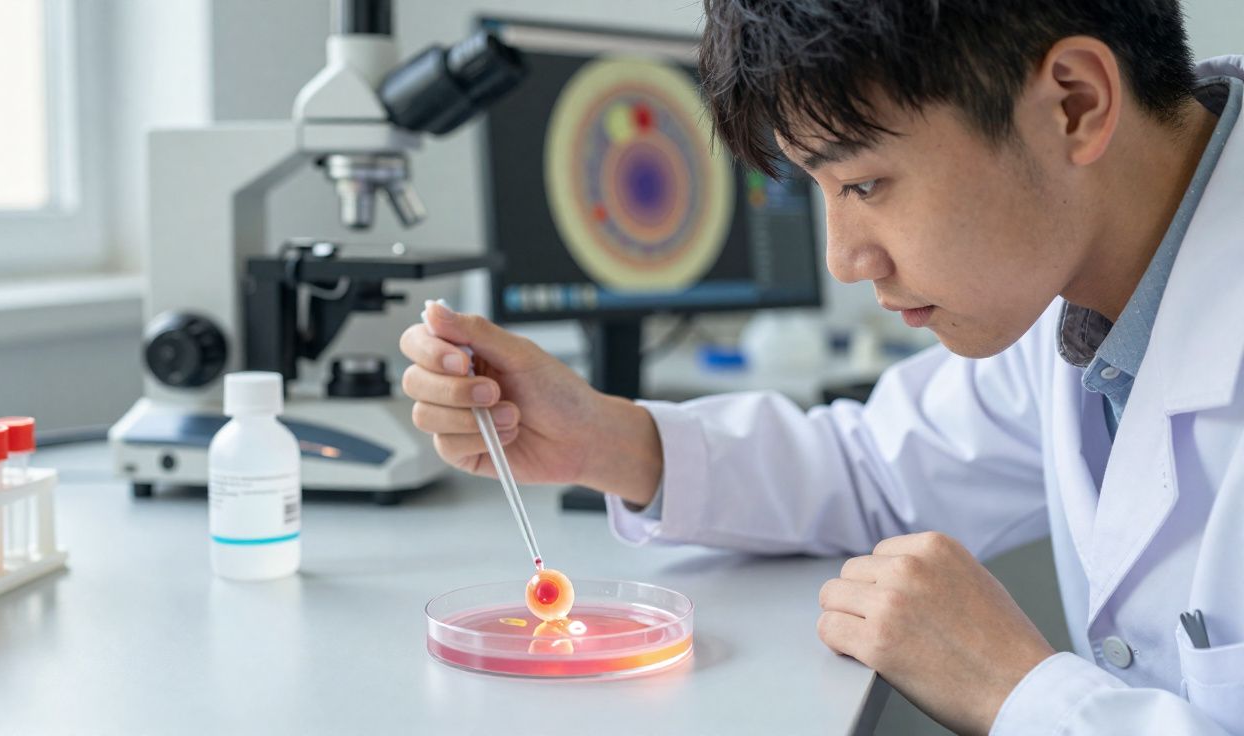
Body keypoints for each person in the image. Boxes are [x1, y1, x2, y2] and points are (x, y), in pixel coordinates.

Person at [399, 1, 1244, 732]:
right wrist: (608, 440)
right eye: (819, 185)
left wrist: (1019, 694)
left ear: (1073, 104)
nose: (844, 259)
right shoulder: (1081, 288)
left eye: (867, 184)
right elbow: (878, 470)